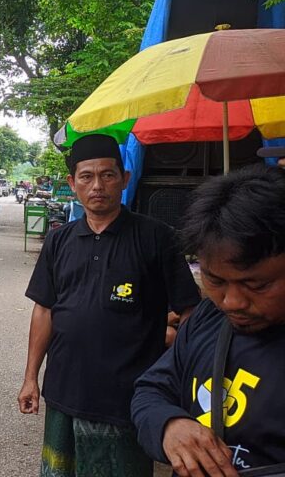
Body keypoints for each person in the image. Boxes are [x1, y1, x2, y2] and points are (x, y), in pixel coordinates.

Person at [18, 134, 201, 477]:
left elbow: (190, 312)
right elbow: (44, 310)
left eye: (108, 174)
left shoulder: (156, 237)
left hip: (126, 400)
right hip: (64, 392)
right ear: (73, 183)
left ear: (125, 178)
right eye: (86, 176)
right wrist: (31, 377)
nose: (97, 185)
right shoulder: (59, 240)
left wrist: (182, 379)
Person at [132, 167, 285, 476]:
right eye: (214, 280)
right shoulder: (209, 317)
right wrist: (169, 425)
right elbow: (151, 389)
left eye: (256, 285)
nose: (231, 302)